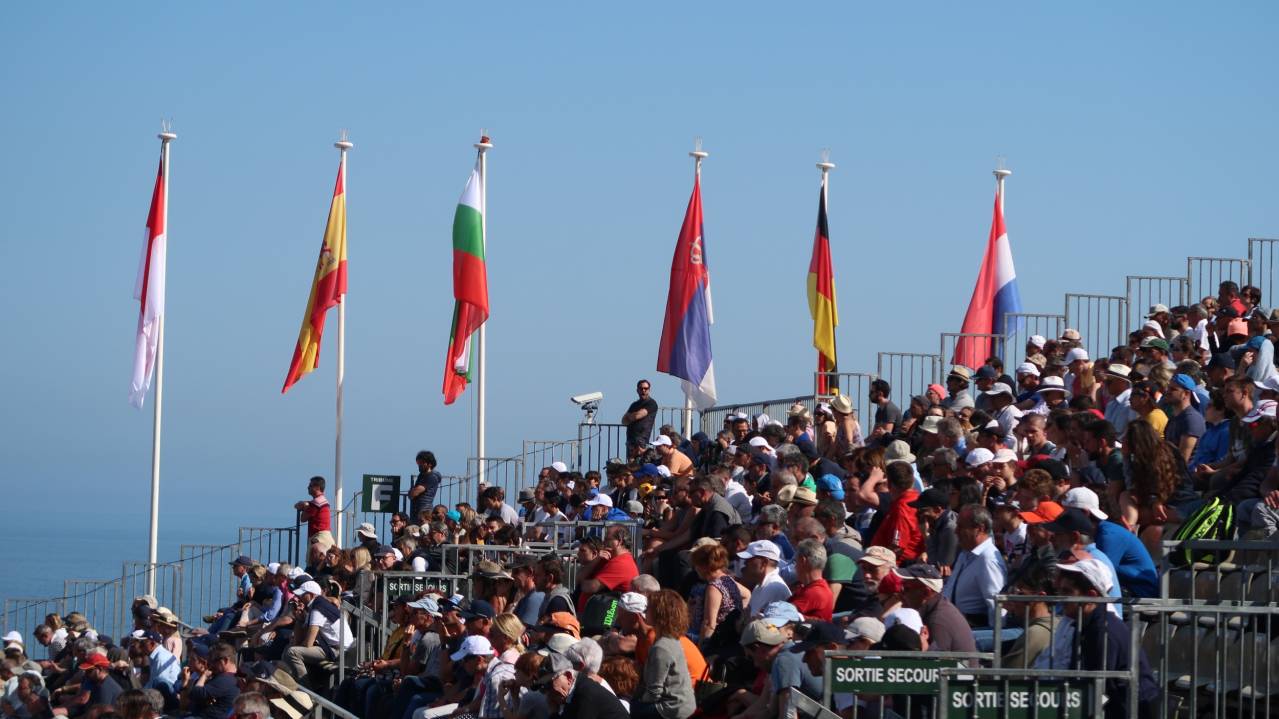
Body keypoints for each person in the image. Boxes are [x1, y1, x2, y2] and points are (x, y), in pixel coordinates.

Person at [1054, 560, 1160, 719]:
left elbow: (1101, 690)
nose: (1061, 598)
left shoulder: (1104, 632)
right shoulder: (1087, 625)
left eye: (1067, 591)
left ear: (1091, 596)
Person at [632, 591, 695, 719]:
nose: (645, 611)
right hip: (684, 703)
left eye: (648, 608)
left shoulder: (661, 648)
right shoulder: (671, 639)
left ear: (658, 613)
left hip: (673, 707)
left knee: (626, 708)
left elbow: (654, 692)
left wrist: (636, 703)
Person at [941, 504, 1006, 628]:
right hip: (954, 622)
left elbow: (996, 604)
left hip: (973, 628)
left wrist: (993, 641)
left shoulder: (987, 559)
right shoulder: (965, 554)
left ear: (979, 529)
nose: (956, 531)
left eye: (961, 527)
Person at [282, 581, 355, 683]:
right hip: (333, 647)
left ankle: (305, 690)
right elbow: (299, 640)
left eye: (302, 594)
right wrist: (299, 619)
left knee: (292, 652)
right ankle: (289, 681)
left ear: (311, 595)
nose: (299, 597)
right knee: (290, 648)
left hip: (339, 651)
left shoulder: (318, 608)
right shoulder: (316, 605)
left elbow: (308, 643)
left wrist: (296, 645)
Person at [892, 564, 976, 653]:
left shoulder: (937, 620)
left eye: (906, 588)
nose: (900, 593)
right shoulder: (937, 606)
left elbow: (937, 664)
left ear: (926, 592)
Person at [687, 543, 750, 647]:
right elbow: (747, 594)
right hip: (727, 634)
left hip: (713, 639)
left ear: (703, 567)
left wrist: (701, 649)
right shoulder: (727, 579)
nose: (695, 569)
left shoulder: (714, 588)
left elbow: (709, 624)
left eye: (696, 565)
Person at [535, 652, 628, 719]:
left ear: (568, 677)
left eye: (549, 685)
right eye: (543, 688)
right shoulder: (574, 693)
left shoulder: (586, 693)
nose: (548, 693)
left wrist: (554, 714)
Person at [187, 643, 239, 719]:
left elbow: (195, 693)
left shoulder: (226, 679)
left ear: (225, 660)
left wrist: (204, 676)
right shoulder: (222, 677)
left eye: (213, 661)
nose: (211, 665)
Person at [787, 539, 834, 621]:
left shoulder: (815, 592)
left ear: (802, 560)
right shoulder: (811, 588)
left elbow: (781, 614)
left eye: (796, 562)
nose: (795, 567)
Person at [622, 380, 659, 459]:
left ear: (649, 390)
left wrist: (630, 416)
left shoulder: (651, 403)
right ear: (637, 390)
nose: (643, 390)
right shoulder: (634, 404)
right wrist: (632, 416)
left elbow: (637, 416)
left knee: (640, 464)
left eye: (646, 388)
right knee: (631, 466)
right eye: (641, 388)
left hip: (641, 441)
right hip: (630, 440)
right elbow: (624, 421)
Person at [293, 476, 332, 546]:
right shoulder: (323, 501)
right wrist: (307, 504)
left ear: (317, 487)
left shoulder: (315, 504)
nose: (308, 487)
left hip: (318, 538)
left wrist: (305, 506)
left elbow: (303, 518)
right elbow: (297, 505)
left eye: (310, 486)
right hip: (327, 537)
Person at [410, 451, 442, 523]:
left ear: (429, 464)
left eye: (422, 463)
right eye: (418, 463)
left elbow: (414, 493)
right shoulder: (422, 475)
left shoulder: (431, 477)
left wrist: (412, 492)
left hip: (424, 511)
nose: (419, 465)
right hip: (417, 511)